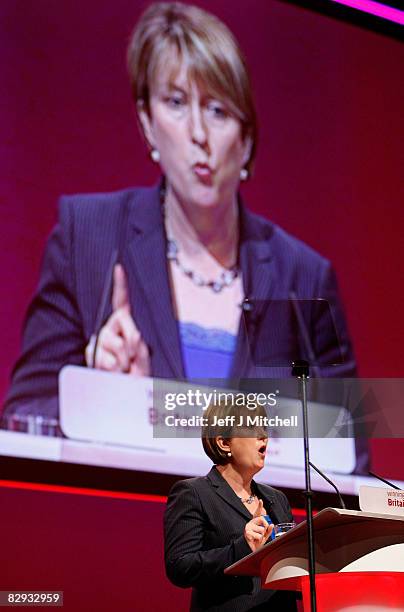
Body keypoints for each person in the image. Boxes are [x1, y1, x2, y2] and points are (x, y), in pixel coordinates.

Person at [1, 2, 355, 427]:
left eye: (218, 110)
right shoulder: (87, 239)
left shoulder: (302, 277)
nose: (199, 134)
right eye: (176, 102)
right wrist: (101, 394)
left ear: (246, 141)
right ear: (147, 123)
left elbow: (347, 450)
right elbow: (23, 415)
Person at [164, 401, 297, 611]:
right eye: (252, 427)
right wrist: (242, 549)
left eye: (264, 427)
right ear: (224, 442)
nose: (263, 435)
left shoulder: (277, 499)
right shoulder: (194, 493)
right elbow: (180, 566)